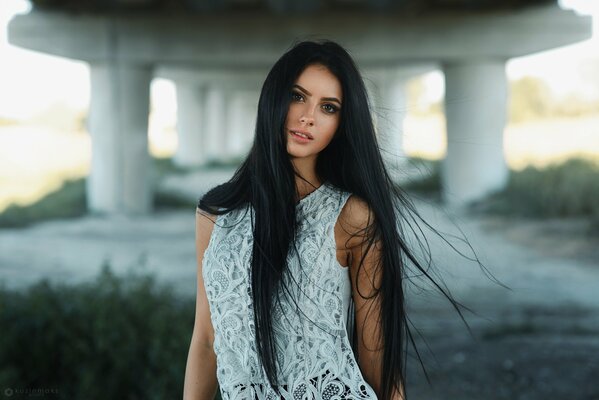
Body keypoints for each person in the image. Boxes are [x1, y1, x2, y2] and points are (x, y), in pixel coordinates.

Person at [184, 39, 473, 400]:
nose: (308, 116)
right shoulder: (216, 214)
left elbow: (377, 357)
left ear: (341, 123)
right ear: (273, 98)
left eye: (329, 107)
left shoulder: (351, 217)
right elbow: (207, 339)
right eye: (297, 96)